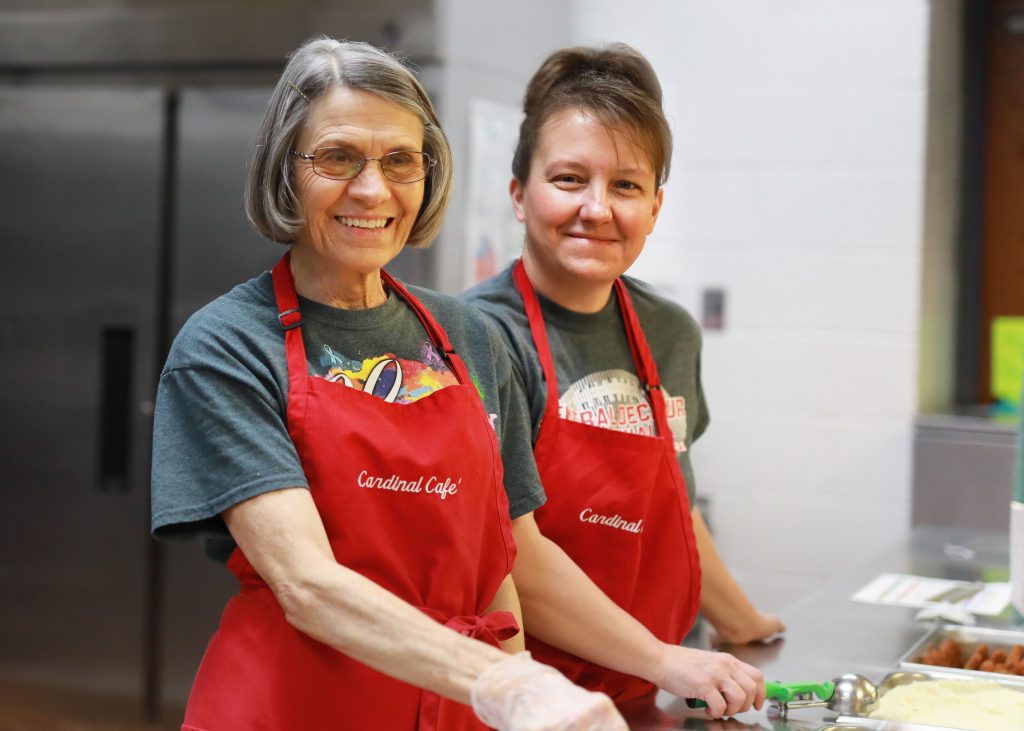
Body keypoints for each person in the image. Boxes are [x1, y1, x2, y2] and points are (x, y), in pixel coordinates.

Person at [150, 36, 627, 731]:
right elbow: (308, 585)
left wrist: (519, 690)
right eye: (339, 157)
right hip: (296, 707)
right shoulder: (226, 346)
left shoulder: (468, 335)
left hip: (458, 709)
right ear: (286, 170)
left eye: (401, 160)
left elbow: (497, 563)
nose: (372, 190)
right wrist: (510, 682)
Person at [463, 43, 783, 716]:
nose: (598, 208)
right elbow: (509, 554)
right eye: (570, 179)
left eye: (627, 186)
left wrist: (745, 622)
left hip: (637, 691)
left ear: (656, 207)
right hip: (520, 699)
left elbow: (674, 501)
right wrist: (668, 658)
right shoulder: (478, 338)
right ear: (519, 194)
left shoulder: (669, 331)